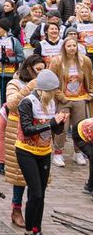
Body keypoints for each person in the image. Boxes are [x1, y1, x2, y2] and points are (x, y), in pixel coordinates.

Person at [16, 69, 68, 235]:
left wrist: (60, 124)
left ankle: (37, 231)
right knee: (35, 193)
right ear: (44, 91)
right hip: (26, 151)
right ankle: (28, 234)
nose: (55, 95)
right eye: (52, 91)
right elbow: (28, 129)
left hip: (44, 151)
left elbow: (57, 132)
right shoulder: (27, 102)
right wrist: (52, 123)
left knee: (42, 195)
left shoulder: (52, 103)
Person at [1, 54, 47, 227]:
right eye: (38, 70)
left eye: (44, 69)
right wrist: (29, 87)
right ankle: (16, 208)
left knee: (36, 179)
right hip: (17, 132)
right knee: (19, 176)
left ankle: (33, 209)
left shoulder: (45, 86)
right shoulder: (15, 83)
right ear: (29, 68)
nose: (41, 73)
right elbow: (11, 104)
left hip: (40, 134)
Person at [50, 32, 92, 166]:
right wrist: (60, 97)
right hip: (64, 99)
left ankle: (78, 152)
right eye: (69, 46)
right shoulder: (57, 61)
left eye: (74, 45)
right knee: (62, 127)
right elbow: (52, 82)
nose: (72, 48)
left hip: (80, 98)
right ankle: (58, 153)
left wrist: (90, 93)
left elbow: (90, 78)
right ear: (64, 47)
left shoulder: (85, 60)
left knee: (80, 127)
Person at [0, 18, 24, 131]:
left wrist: (9, 60)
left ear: (5, 29)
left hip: (7, 74)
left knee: (6, 99)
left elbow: (21, 57)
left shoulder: (13, 41)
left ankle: (5, 120)